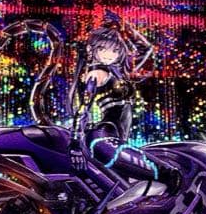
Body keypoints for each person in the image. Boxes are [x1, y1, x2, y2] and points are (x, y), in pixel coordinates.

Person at [68, 16, 175, 188]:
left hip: (116, 138)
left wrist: (126, 27)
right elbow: (83, 109)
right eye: (103, 48)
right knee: (167, 174)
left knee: (126, 189)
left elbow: (146, 50)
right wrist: (74, 145)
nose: (109, 54)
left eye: (115, 50)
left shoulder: (117, 71)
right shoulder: (95, 74)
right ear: (91, 49)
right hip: (103, 140)